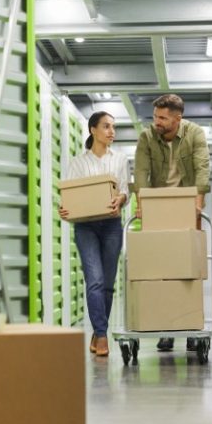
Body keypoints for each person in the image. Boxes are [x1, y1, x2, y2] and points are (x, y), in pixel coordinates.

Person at [133, 94, 211, 352]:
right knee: (160, 271)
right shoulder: (147, 138)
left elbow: (202, 167)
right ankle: (166, 328)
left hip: (187, 203)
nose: (157, 121)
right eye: (155, 116)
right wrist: (142, 205)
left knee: (189, 270)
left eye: (163, 118)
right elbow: (141, 173)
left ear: (178, 118)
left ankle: (189, 325)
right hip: (158, 205)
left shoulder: (195, 133)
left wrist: (198, 203)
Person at [59, 111, 129, 357]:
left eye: (113, 127)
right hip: (86, 227)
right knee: (95, 280)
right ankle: (101, 334)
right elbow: (68, 196)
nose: (112, 131)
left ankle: (99, 330)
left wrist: (120, 199)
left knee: (108, 285)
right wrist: (64, 209)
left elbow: (123, 192)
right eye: (107, 126)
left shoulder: (119, 160)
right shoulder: (78, 163)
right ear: (93, 130)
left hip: (111, 225)